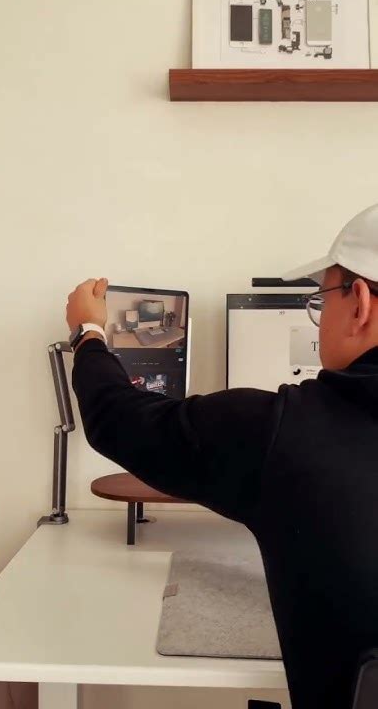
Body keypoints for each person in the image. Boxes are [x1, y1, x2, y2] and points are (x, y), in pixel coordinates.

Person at [66, 204, 378, 709]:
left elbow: (117, 418)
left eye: (322, 301)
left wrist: (88, 332)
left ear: (359, 302)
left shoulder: (280, 431)